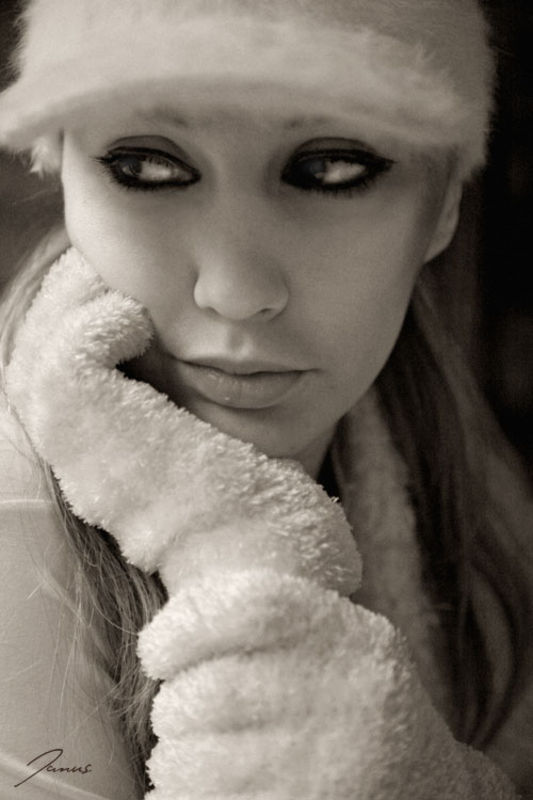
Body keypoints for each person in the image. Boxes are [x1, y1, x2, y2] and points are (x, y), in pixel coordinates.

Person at [0, 0, 531, 798]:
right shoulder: (11, 538)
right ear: (62, 171)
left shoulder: (473, 491)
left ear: (445, 204)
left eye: (331, 170)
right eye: (146, 167)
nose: (235, 291)